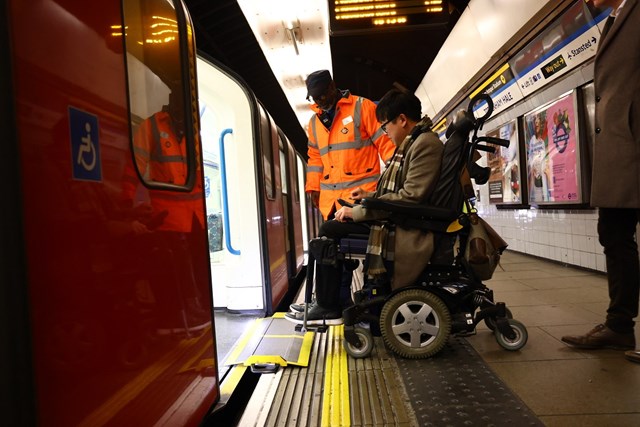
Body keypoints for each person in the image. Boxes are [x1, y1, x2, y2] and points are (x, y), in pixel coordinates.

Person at [286, 89, 444, 325]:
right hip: (402, 218)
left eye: (385, 126)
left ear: (402, 120)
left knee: (330, 231)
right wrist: (368, 196)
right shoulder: (416, 142)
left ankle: (329, 306)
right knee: (333, 227)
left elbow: (410, 198)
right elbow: (406, 192)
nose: (385, 132)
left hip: (407, 226)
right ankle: (330, 303)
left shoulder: (424, 145)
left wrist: (358, 211)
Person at [561, 0, 639, 364]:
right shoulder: (615, 17)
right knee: (613, 233)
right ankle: (619, 325)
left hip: (633, 141)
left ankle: (619, 323)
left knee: (617, 233)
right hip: (621, 148)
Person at [304, 70, 396, 220]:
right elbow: (315, 159)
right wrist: (313, 188)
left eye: (323, 94)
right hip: (331, 204)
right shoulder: (314, 123)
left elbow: (386, 143)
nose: (320, 100)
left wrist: (397, 175)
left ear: (332, 86)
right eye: (315, 98)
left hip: (360, 197)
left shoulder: (362, 107)